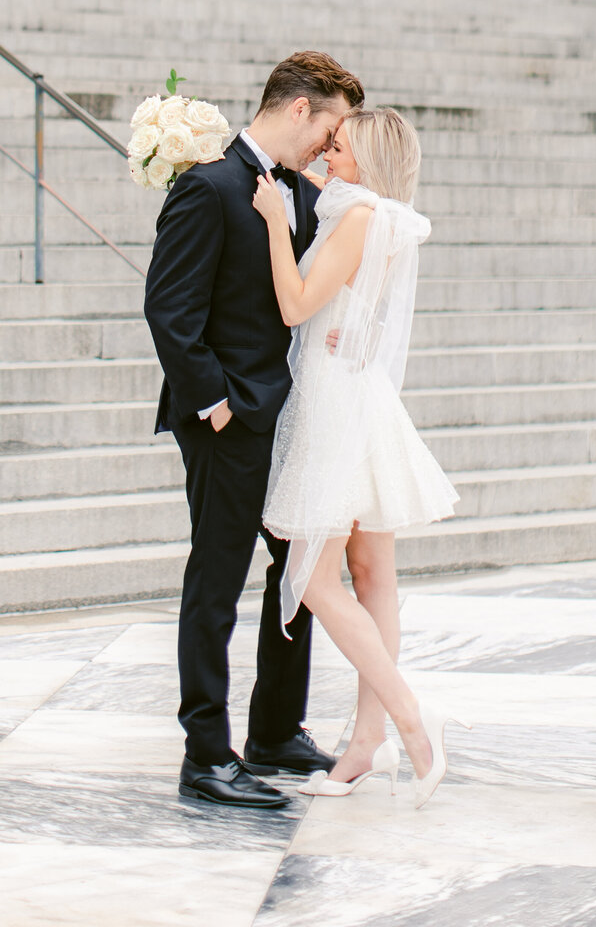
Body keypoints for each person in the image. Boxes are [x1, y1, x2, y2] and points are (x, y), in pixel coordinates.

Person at [143, 51, 366, 810]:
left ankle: (275, 731)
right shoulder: (205, 186)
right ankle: (205, 754)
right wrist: (217, 404)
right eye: (331, 126)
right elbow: (169, 311)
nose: (330, 145)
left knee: (297, 573)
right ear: (301, 109)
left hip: (286, 415)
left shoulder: (301, 193)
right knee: (216, 578)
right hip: (228, 420)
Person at [254, 106, 464, 809]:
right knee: (373, 574)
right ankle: (365, 744)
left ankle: (406, 716)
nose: (325, 151)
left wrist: (277, 228)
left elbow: (296, 305)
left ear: (366, 156)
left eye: (337, 146)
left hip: (336, 405)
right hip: (353, 390)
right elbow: (362, 308)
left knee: (314, 578)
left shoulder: (359, 217)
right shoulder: (375, 214)